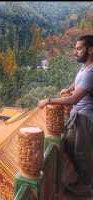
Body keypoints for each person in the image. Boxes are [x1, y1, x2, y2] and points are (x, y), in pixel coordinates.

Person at [38, 35, 93, 197]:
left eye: (79, 49)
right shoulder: (85, 67)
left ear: (90, 50)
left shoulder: (91, 72)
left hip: (84, 120)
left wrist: (49, 100)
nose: (75, 52)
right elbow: (78, 83)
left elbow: (75, 99)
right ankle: (78, 184)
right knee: (69, 149)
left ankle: (85, 191)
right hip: (78, 117)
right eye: (75, 49)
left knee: (81, 156)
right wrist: (69, 89)